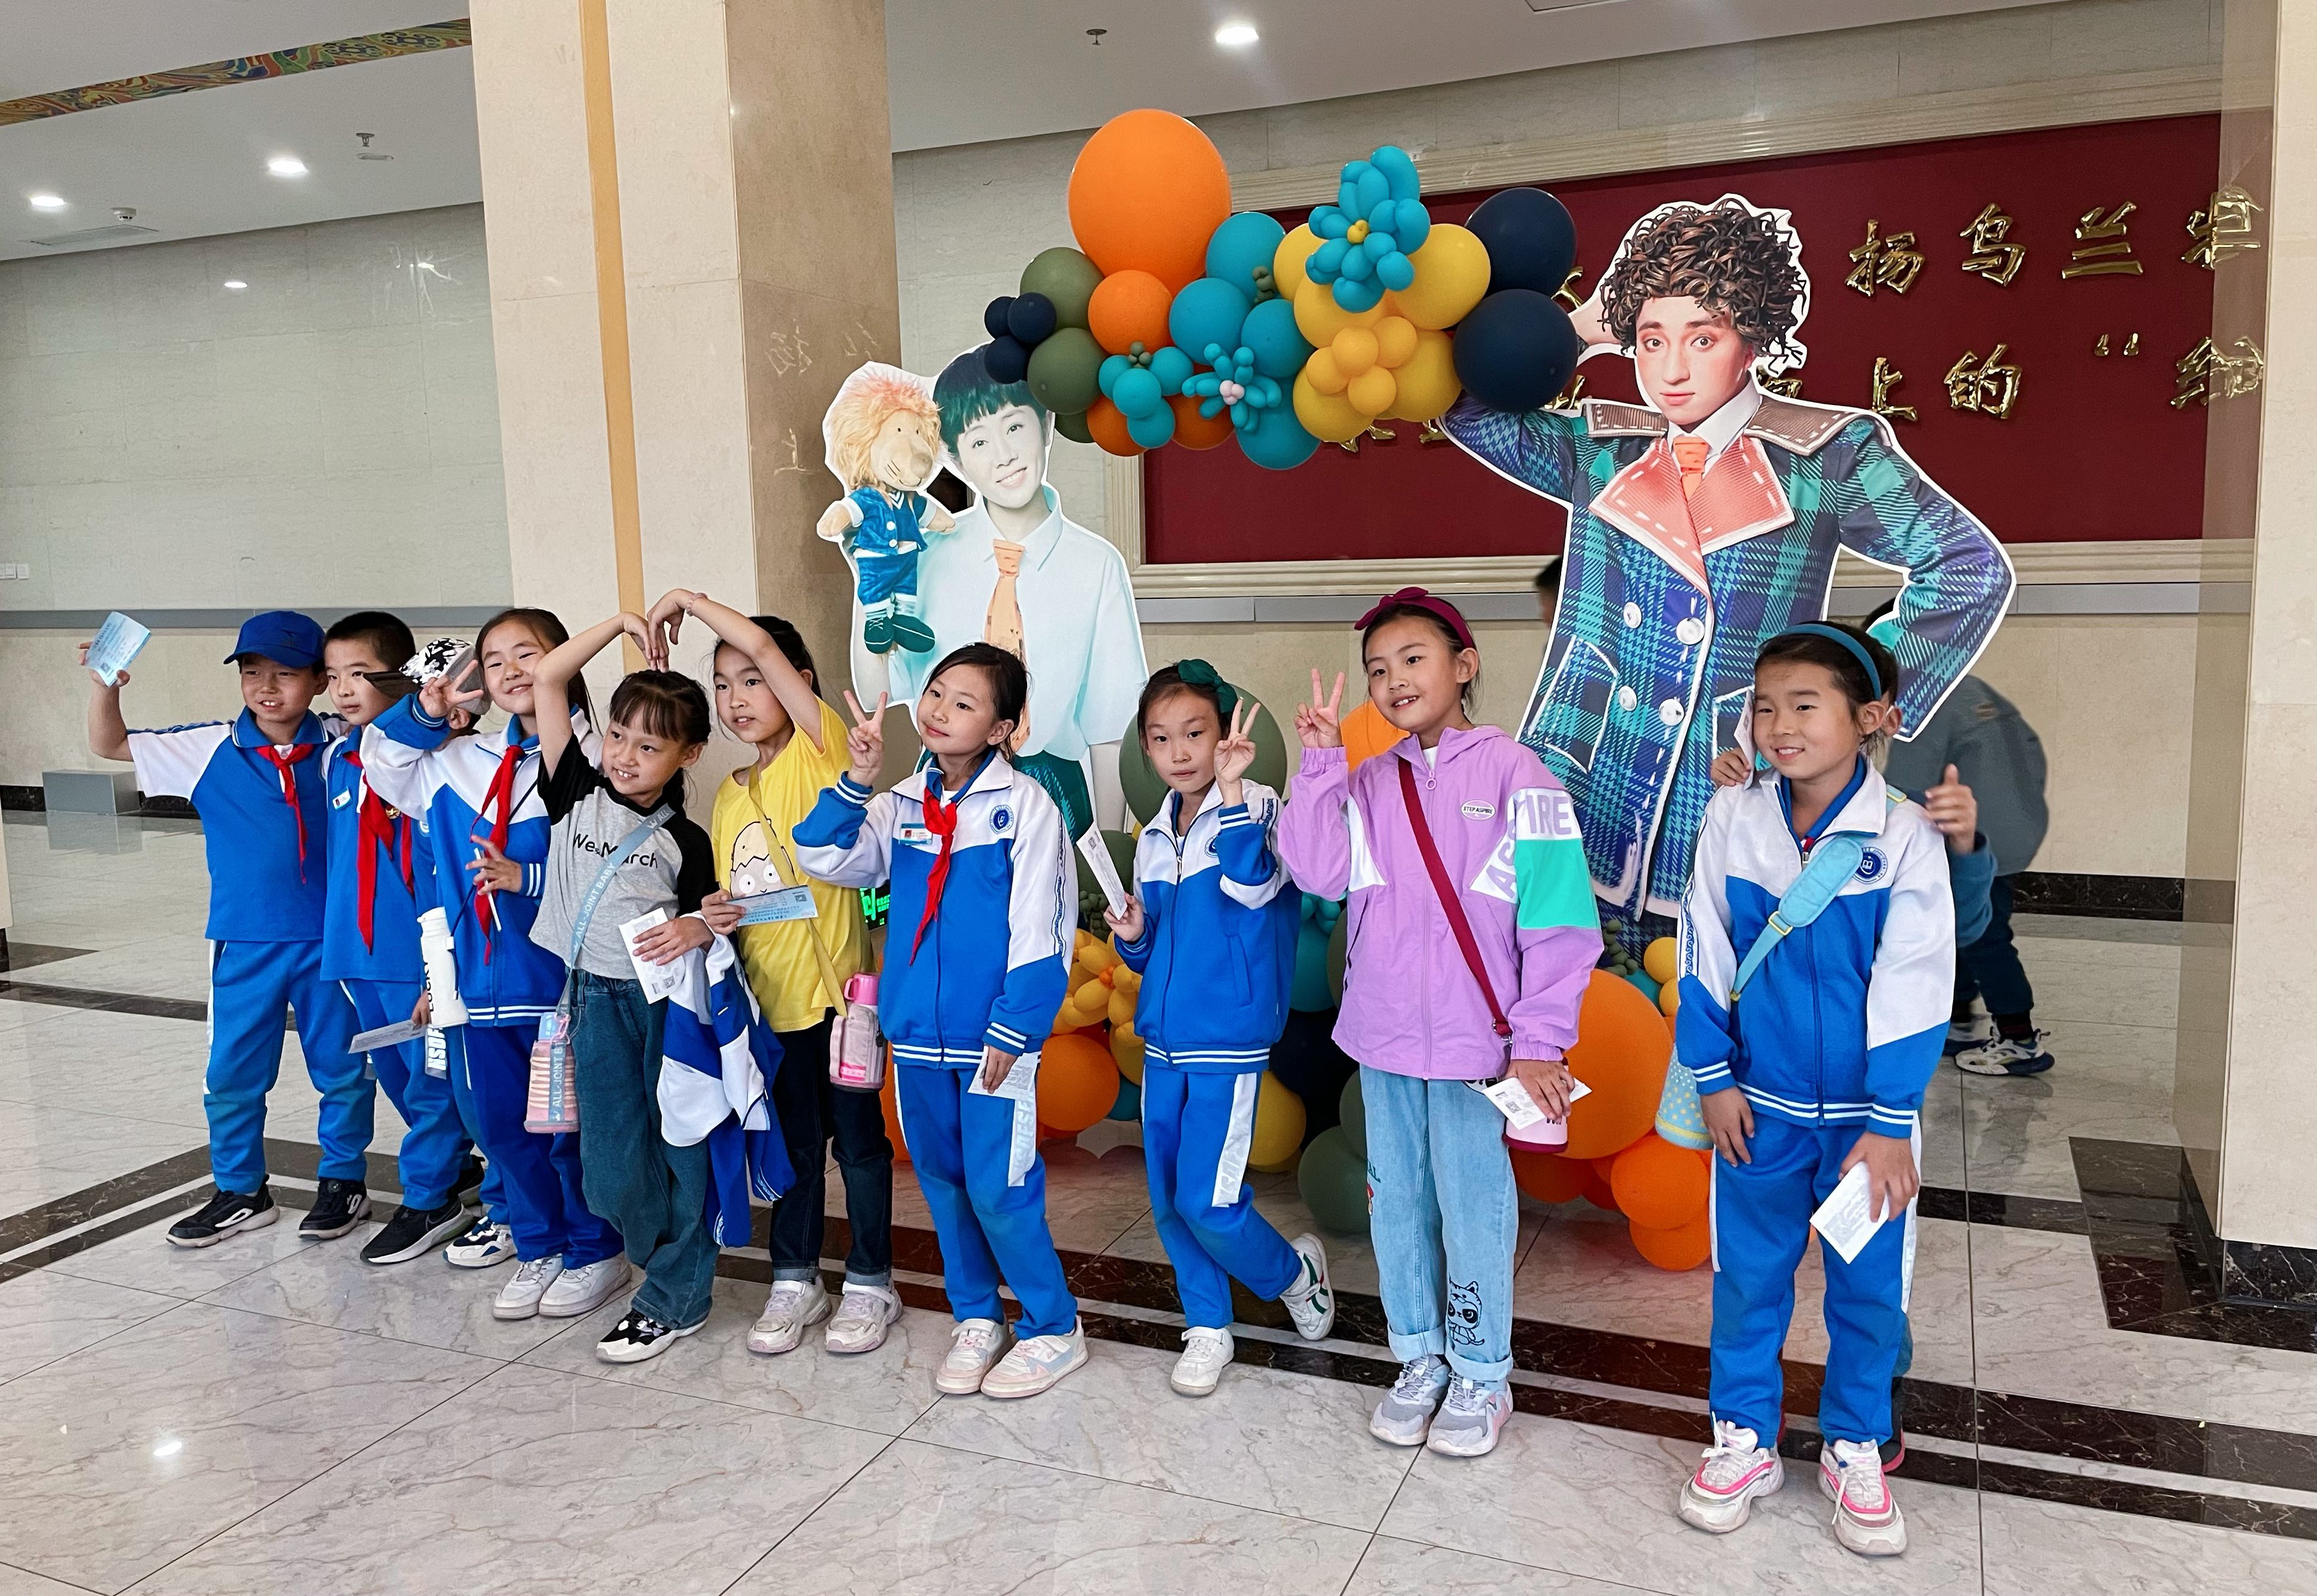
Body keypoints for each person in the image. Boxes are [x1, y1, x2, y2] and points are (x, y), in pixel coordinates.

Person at [1441, 194, 2013, 951]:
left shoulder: (1827, 457)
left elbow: (1967, 568)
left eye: (1702, 338)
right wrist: (1577, 331)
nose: (1671, 370)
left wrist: (1846, 700)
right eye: (1650, 341)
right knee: (1569, 998)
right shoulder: (1600, 448)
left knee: (1710, 995)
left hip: (1727, 777)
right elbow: (1461, 405)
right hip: (1583, 773)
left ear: (1751, 339)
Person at [1277, 590, 1599, 1459]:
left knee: (1473, 1206)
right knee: (1396, 1202)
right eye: (1377, 669)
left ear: (1464, 666)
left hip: (1475, 1046)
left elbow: (1559, 921)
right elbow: (1317, 873)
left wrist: (1538, 1041)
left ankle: (1482, 1370)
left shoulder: (1519, 776)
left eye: (1412, 659)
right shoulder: (1365, 781)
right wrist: (1319, 764)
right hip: (1383, 1035)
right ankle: (1419, 1356)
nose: (1393, 680)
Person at [1673, 622, 1952, 1558]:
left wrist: (1891, 1121)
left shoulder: (1904, 836)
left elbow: (1918, 979)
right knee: (1748, 1281)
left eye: (1804, 705)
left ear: (1869, 718)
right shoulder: (1733, 818)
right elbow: (1705, 949)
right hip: (1759, 1110)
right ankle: (1744, 1436)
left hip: (1868, 1130)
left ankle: (1854, 1442)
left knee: (1867, 1290)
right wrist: (1713, 1078)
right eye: (1765, 707)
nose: (1779, 727)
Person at [793, 644, 1086, 1400]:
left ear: (1002, 728)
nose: (939, 711)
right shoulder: (899, 804)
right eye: (935, 693)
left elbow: (1044, 927)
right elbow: (818, 854)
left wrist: (1014, 1028)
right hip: (917, 1037)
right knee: (944, 1184)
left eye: (964, 703)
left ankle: (1053, 1327)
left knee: (999, 1187)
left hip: (994, 1040)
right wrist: (856, 780)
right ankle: (976, 1317)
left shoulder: (1026, 807)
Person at [363, 610, 628, 1320]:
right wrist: (428, 711)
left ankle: (594, 1249)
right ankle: (539, 1246)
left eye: (528, 654)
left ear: (563, 661)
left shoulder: (597, 759)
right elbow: (381, 763)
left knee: (567, 1129)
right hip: (478, 988)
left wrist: (527, 879)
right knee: (503, 1127)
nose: (511, 670)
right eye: (495, 659)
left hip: (561, 986)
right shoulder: (457, 761)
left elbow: (618, 869)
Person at [82, 611, 375, 1247]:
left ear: (319, 681)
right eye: (252, 672)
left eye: (285, 674)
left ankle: (344, 1180)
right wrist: (106, 687)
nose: (266, 687)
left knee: (344, 1067)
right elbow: (110, 745)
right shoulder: (208, 746)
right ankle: (241, 1189)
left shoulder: (346, 741)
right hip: (244, 943)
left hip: (334, 942)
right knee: (233, 1073)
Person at [660, 587, 901, 1358]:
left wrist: (689, 600)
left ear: (796, 682)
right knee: (792, 1148)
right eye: (722, 685)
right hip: (769, 1012)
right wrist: (713, 913)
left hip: (841, 1006)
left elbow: (765, 647)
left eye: (752, 680)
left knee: (858, 1147)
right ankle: (796, 1277)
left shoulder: (818, 750)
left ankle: (871, 1281)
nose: (735, 698)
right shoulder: (728, 797)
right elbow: (742, 897)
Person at [1104, 661, 1336, 1396]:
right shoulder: (1152, 834)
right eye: (1160, 738)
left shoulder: (1258, 806)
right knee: (1170, 1200)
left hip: (1226, 1037)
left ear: (1225, 735)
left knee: (1208, 1200)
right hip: (1161, 1040)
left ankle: (1293, 1274)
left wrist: (1232, 792)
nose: (1178, 753)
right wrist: (1133, 937)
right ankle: (1206, 1324)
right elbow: (1155, 951)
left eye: (1194, 733)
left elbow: (1253, 886)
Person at [523, 610, 744, 1363]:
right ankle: (667, 1258)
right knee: (612, 1172)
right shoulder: (572, 790)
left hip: (663, 1006)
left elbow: (718, 920)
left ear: (689, 754)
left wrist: (696, 926)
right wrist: (621, 624)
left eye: (649, 746)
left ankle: (674, 1293)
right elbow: (550, 676)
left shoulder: (686, 839)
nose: (624, 755)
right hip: (591, 999)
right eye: (618, 735)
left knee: (680, 1145)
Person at [863, 350, 1148, 837]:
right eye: (979, 441)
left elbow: (1111, 726)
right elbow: (879, 691)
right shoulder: (925, 553)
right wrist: (867, 575)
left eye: (1015, 427)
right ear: (954, 459)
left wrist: (1109, 851)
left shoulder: (1096, 565)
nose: (1004, 454)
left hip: (1054, 795)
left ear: (1047, 424)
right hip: (944, 792)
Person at [318, 612, 479, 1265]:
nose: (343, 689)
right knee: (394, 1075)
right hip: (355, 953)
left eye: (359, 674)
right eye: (332, 676)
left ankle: (428, 1198)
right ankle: (453, 1168)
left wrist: (438, 969)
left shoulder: (437, 763)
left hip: (415, 954)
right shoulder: (338, 758)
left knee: (431, 1079)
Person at [1867, 602, 2052, 1076]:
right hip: (2012, 830)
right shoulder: (1973, 689)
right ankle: (1959, 1017)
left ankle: (2019, 1038)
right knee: (1960, 924)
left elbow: (1904, 786)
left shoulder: (1922, 704)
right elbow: (2033, 754)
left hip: (1970, 840)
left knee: (1983, 936)